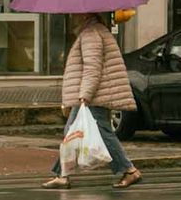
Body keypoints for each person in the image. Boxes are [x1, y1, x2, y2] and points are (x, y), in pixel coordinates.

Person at [44, 13, 142, 190]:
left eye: (74, 13)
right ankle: (62, 175)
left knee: (102, 133)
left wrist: (85, 95)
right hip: (95, 94)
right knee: (71, 131)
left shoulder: (91, 34)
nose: (71, 16)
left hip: (94, 96)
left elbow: (93, 67)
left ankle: (129, 170)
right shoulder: (93, 31)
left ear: (84, 14)